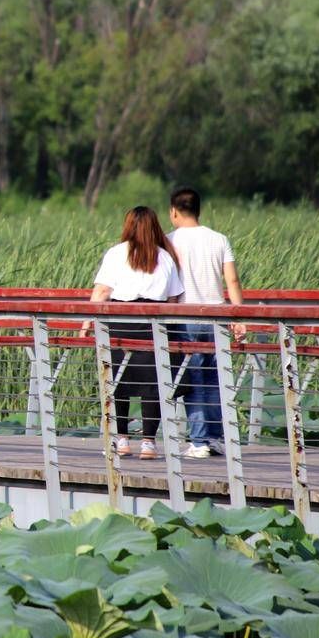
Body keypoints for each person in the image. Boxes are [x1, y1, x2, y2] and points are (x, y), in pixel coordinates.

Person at [81, 206, 183, 460]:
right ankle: (148, 443)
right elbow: (173, 299)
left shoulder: (116, 253)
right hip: (153, 326)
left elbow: (102, 292)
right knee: (153, 385)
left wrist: (85, 324)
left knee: (118, 382)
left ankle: (122, 440)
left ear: (128, 226)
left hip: (118, 324)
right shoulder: (165, 257)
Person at [168, 187, 246, 459]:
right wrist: (238, 316)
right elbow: (232, 281)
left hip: (184, 317)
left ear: (173, 211)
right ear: (199, 210)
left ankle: (199, 440)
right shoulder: (219, 239)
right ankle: (214, 438)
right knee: (214, 377)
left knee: (194, 378)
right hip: (217, 316)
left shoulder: (169, 241)